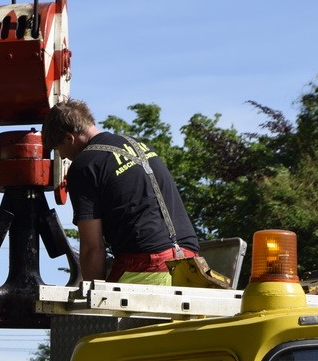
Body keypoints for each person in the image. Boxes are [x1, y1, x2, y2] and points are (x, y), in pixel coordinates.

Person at [42, 98, 200, 285]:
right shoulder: (139, 145)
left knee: (95, 311)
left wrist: (93, 301)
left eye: (58, 149)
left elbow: (92, 248)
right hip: (191, 263)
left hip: (147, 267)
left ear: (70, 138)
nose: (63, 156)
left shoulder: (85, 165)